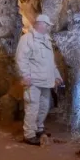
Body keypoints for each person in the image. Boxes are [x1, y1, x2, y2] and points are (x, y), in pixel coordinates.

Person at [15, 13, 63, 145]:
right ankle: (29, 134)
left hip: (46, 81)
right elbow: (21, 59)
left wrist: (57, 76)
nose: (48, 27)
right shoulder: (27, 39)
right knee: (32, 107)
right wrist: (25, 75)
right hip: (33, 81)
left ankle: (38, 128)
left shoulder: (47, 40)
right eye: (47, 25)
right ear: (40, 24)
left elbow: (51, 63)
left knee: (44, 106)